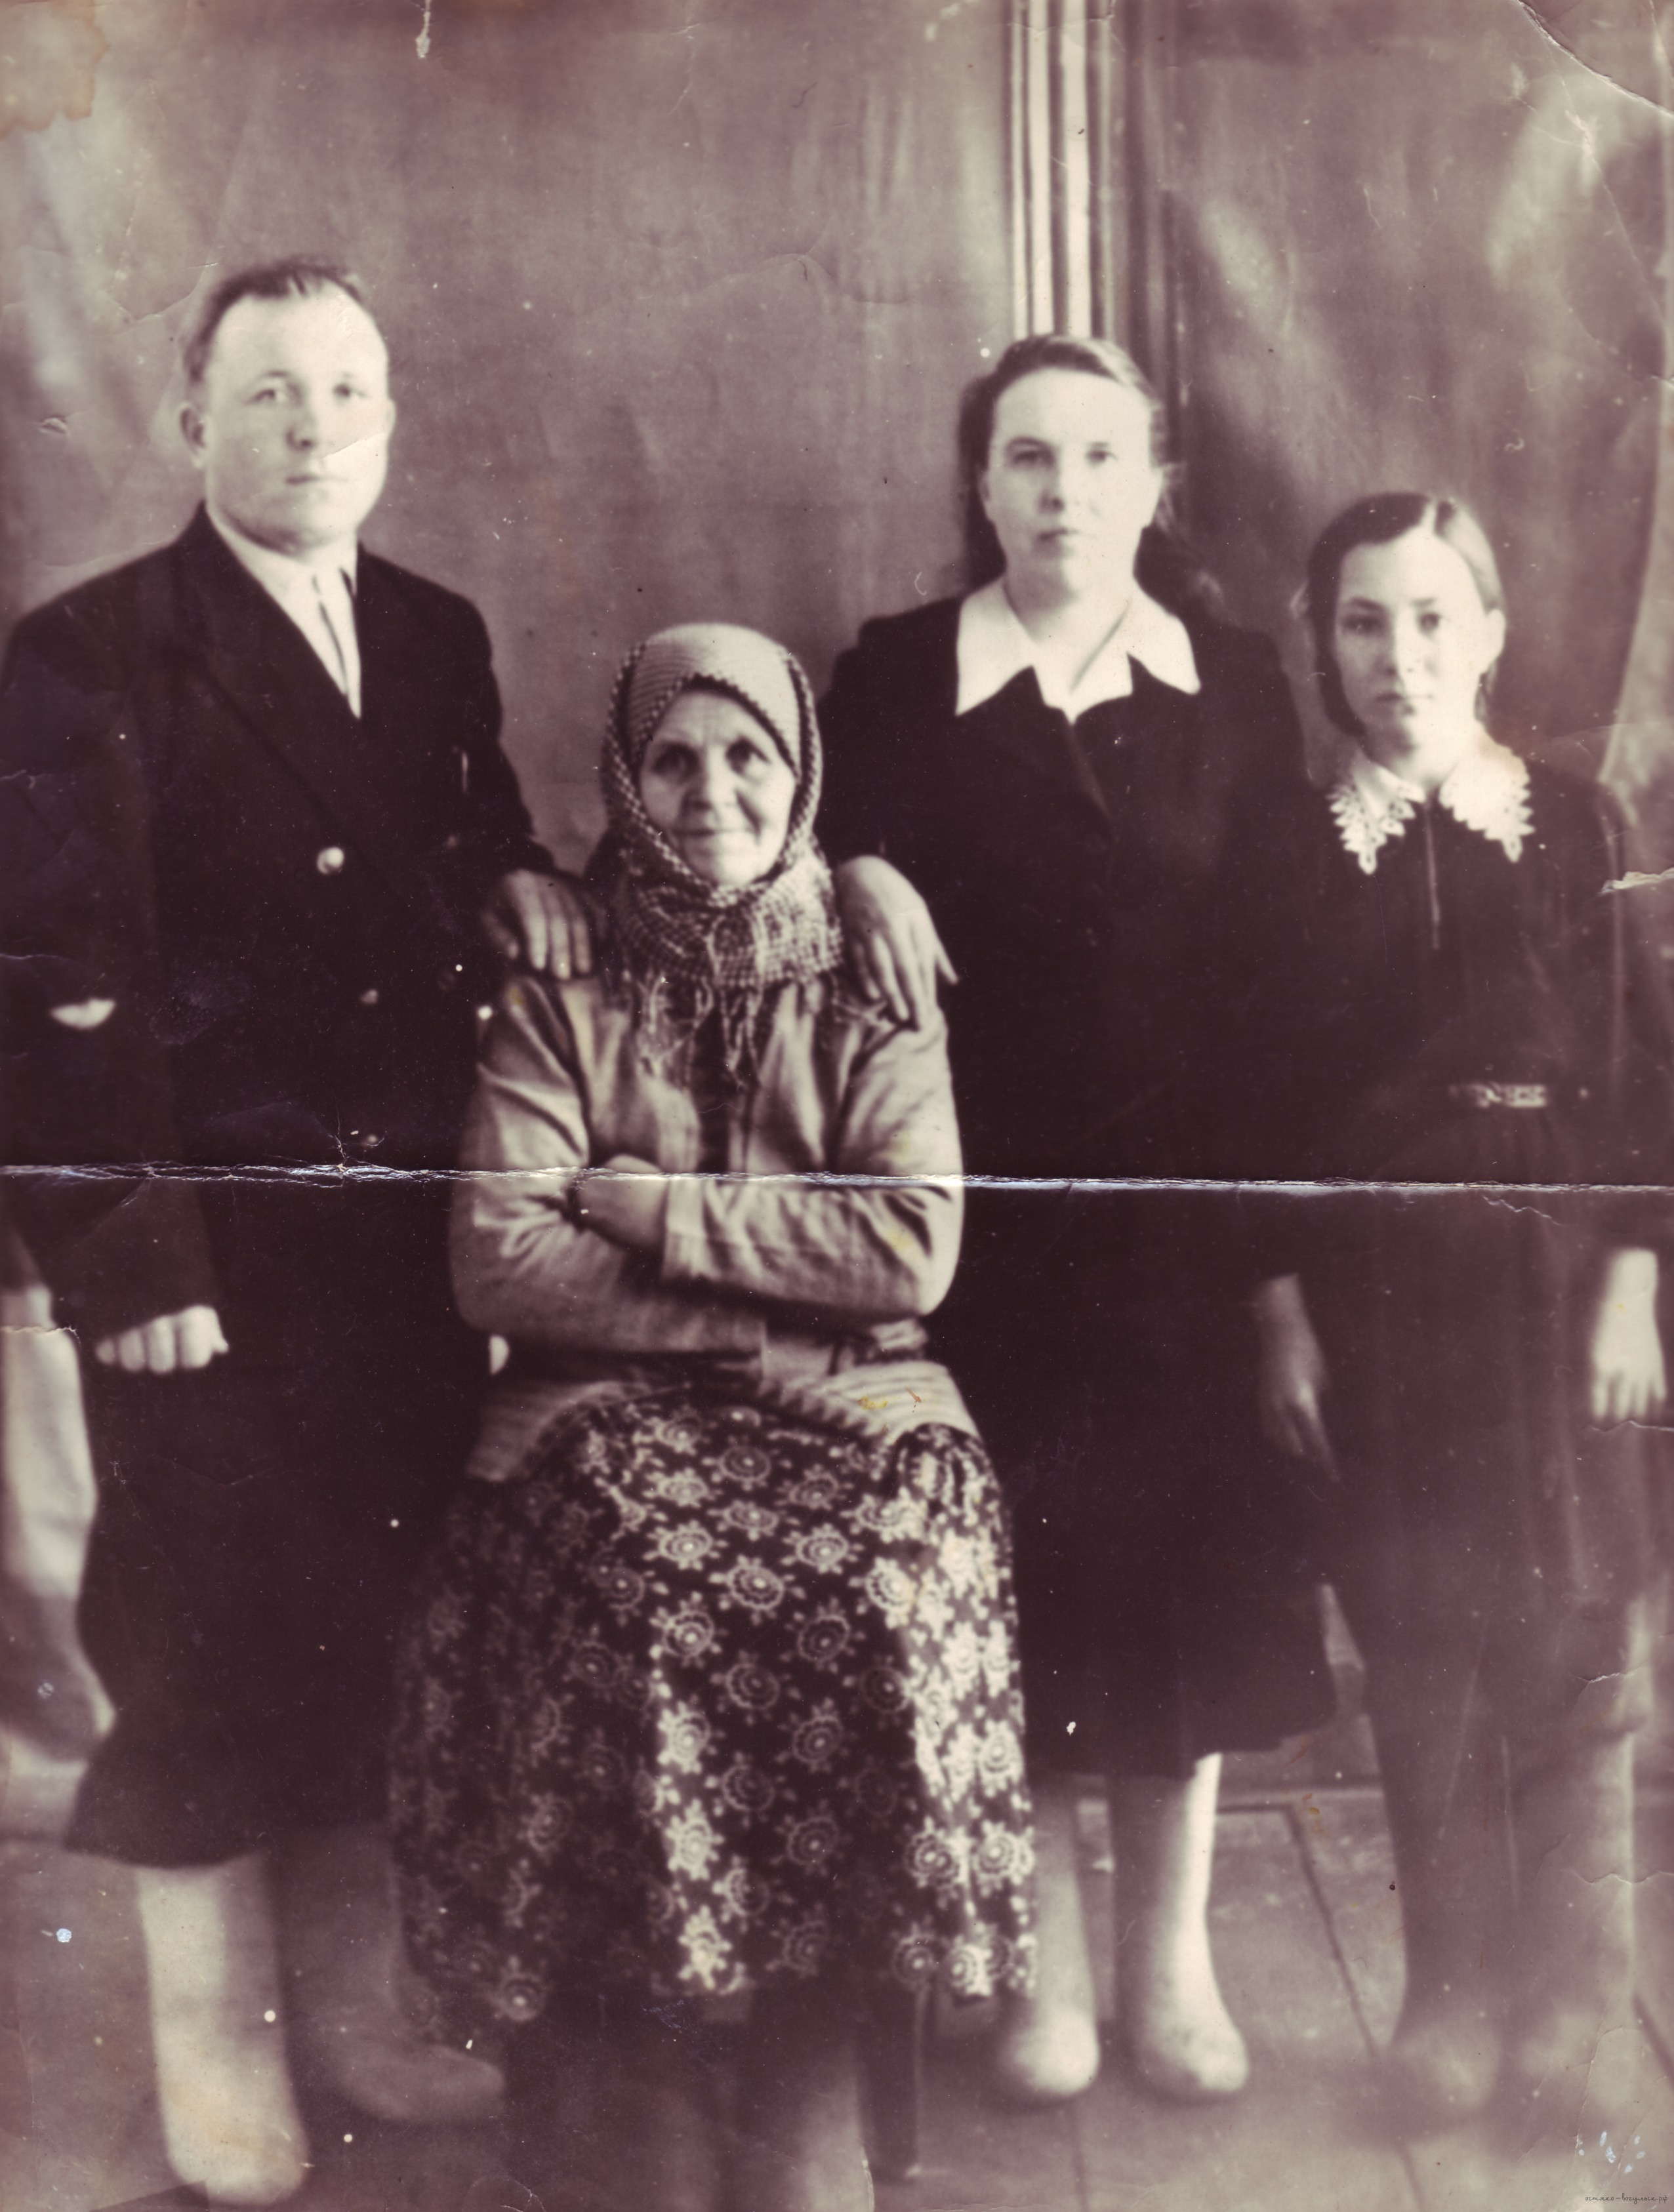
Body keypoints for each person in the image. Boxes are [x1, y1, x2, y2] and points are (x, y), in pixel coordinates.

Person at [0, 256, 575, 2204]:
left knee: (384, 1610)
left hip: (397, 1239)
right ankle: (213, 2041)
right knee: (203, 1629)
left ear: (389, 420)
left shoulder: (430, 629)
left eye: (344, 391)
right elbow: (47, 982)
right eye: (267, 394)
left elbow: (468, 834)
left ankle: (354, 2004)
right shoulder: (92, 651)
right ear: (191, 422)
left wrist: (517, 882)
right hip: (211, 1258)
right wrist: (128, 1252)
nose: (312, 427)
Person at [390, 622, 1033, 2212]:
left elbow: (910, 1247)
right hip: (595, 1404)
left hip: (863, 1401)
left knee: (890, 1579)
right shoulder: (563, 983)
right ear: (624, 776)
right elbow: (499, 1259)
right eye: (673, 758)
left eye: (749, 755)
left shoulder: (871, 967)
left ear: (800, 770)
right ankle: (630, 2068)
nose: (712, 791)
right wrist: (766, 1306)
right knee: (631, 1582)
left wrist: (659, 1209)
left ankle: (811, 2060)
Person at [810, 332, 1332, 2105]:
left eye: (1101, 457)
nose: (1063, 491)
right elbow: (785, 844)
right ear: (981, 482)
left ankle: (1169, 1962)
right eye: (1028, 457)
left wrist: (1268, 1274)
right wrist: (852, 865)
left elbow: (1273, 992)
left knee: (1179, 1595)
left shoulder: (1234, 682)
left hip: (1179, 1238)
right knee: (1013, 1588)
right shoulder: (895, 675)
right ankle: (1037, 1971)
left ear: (1154, 481)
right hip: (981, 1238)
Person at [1235, 491, 1672, 2128]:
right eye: (1365, 621)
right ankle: (1450, 1996)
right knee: (1422, 1646)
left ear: (1487, 632)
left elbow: (1649, 1067)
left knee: (1578, 1638)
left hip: (1562, 1283)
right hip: (1383, 1291)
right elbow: (1249, 1106)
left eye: (1433, 618)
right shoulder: (1291, 848)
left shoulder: (1579, 825)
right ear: (1322, 642)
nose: (1400, 656)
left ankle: (1571, 2005)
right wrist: (1278, 1306)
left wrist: (1633, 1272)